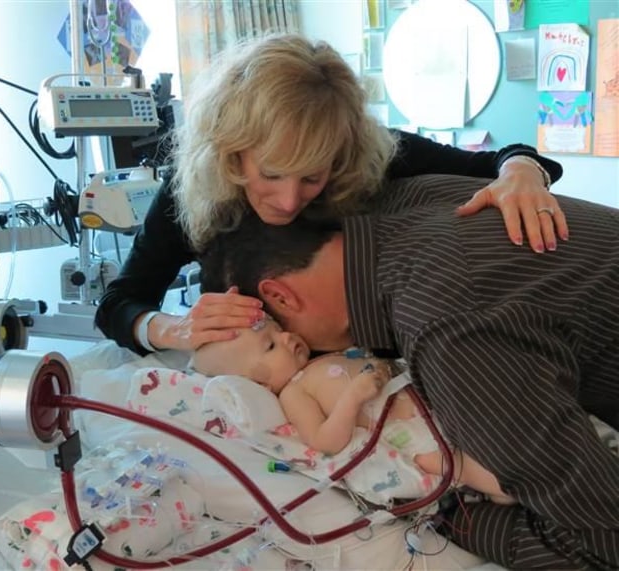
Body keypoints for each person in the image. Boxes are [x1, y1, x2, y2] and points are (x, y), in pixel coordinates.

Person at [197, 174, 619, 570]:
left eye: (273, 335)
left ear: (278, 297)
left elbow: (601, 540)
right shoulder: (412, 195)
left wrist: (449, 517)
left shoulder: (446, 330)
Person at [94, 33, 567, 356]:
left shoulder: (367, 154)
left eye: (311, 178)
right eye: (272, 174)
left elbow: (500, 161)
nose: (288, 199)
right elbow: (118, 304)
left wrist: (522, 171)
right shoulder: (193, 190)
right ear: (231, 154)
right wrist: (170, 329)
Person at [191, 316, 514, 505]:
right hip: (405, 434)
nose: (287, 337)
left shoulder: (325, 355)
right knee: (454, 463)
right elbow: (325, 441)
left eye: (278, 329)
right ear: (259, 385)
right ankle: (508, 489)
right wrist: (352, 398)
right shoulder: (294, 392)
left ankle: (514, 472)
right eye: (271, 345)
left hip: (423, 397)